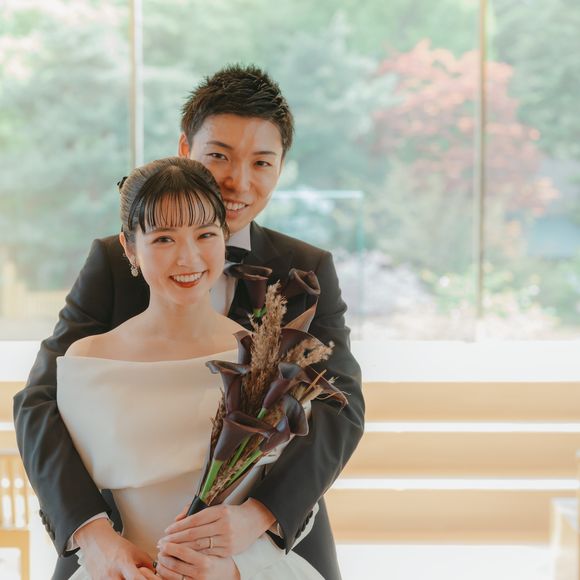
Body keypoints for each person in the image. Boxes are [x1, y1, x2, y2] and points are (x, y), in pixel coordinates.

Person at [14, 64, 364, 580]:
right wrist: (92, 535)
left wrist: (257, 520)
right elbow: (40, 401)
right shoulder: (115, 259)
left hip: (269, 539)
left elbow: (339, 405)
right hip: (122, 551)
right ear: (185, 148)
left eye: (261, 162)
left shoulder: (305, 269)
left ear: (281, 167)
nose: (238, 181)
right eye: (219, 156)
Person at [58, 156, 324, 579]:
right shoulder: (89, 361)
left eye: (205, 234)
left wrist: (233, 567)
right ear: (129, 248)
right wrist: (104, 554)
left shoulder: (265, 359)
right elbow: (69, 486)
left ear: (225, 238)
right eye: (164, 238)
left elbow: (299, 499)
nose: (188, 257)